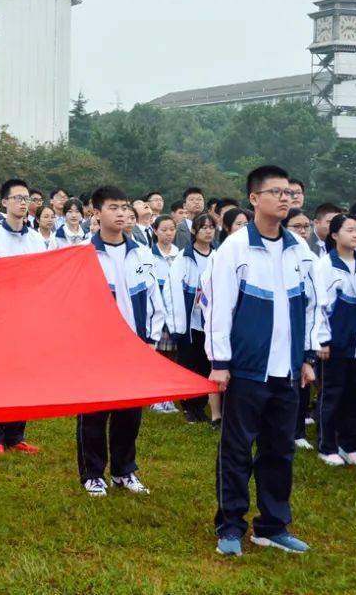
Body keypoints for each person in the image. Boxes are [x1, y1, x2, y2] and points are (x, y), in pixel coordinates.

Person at [204, 165, 317, 557]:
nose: (285, 199)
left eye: (289, 193)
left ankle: (271, 525)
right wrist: (220, 362)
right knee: (236, 449)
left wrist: (306, 356)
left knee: (279, 449)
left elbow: (309, 305)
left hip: (286, 370)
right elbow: (217, 308)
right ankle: (231, 525)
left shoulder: (298, 249)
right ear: (254, 199)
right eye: (276, 192)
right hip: (247, 369)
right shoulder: (235, 248)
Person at [78, 185, 165, 497]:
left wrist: (151, 341)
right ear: (96, 212)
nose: (121, 213)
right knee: (94, 412)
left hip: (136, 346)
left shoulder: (141, 253)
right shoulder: (83, 254)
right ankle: (92, 473)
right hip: (96, 348)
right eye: (113, 207)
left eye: (124, 207)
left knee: (130, 412)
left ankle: (124, 470)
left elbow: (156, 300)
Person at [0, 179, 46, 454]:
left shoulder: (34, 239)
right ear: (4, 202)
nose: (22, 202)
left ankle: (16, 435)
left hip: (27, 315)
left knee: (23, 374)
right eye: (17, 198)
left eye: (26, 198)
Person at [312, 214, 356, 467]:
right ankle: (327, 446)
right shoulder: (325, 266)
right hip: (335, 342)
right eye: (349, 230)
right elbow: (318, 306)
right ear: (334, 235)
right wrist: (322, 340)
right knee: (332, 393)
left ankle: (350, 444)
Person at [171, 214, 221, 426]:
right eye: (203, 228)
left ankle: (200, 405)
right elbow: (174, 290)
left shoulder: (218, 255)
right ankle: (189, 406)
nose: (208, 231)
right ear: (194, 231)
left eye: (211, 227)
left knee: (204, 364)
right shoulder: (184, 257)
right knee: (188, 363)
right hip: (190, 321)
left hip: (209, 321)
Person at [281, 208, 317, 449]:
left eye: (306, 226)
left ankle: (297, 431)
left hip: (298, 331)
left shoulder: (309, 256)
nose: (303, 231)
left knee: (300, 383)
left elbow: (313, 302)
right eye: (297, 226)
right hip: (273, 332)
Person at [149, 214, 180, 414]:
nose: (168, 234)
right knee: (158, 355)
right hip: (158, 312)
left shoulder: (180, 254)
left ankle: (169, 397)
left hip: (175, 311)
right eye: (164, 230)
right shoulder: (149, 255)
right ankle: (156, 397)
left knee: (173, 356)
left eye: (171, 229)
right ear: (155, 231)